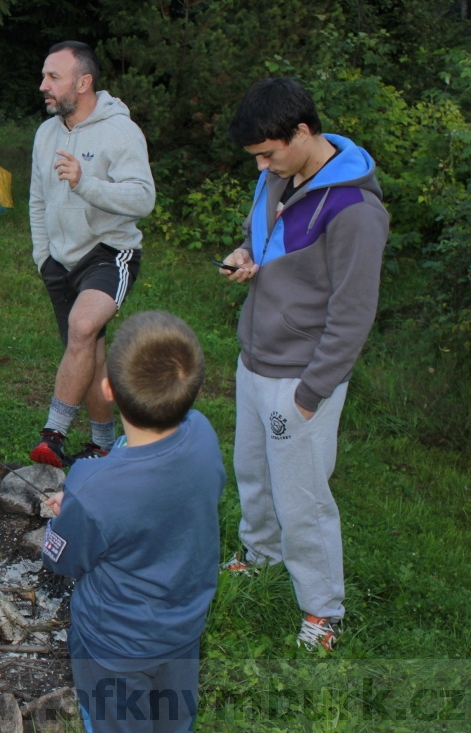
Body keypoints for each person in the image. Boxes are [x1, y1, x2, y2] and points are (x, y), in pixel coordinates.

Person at [218, 77, 389, 651]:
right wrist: (245, 254)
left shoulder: (355, 210)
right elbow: (259, 234)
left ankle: (322, 610)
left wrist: (311, 392)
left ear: (302, 131)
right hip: (255, 359)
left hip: (302, 377)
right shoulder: (276, 175)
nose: (262, 166)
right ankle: (261, 553)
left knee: (304, 496)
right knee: (254, 473)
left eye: (268, 154)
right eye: (256, 158)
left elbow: (353, 314)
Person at [41, 310, 224, 733]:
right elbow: (151, 488)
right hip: (182, 629)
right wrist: (83, 501)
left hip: (112, 645)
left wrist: (70, 512)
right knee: (173, 720)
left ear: (107, 389)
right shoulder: (202, 434)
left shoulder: (92, 488)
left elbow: (62, 561)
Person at [28, 40, 156, 466]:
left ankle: (53, 434)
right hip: (59, 259)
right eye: (45, 75)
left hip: (108, 252)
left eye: (53, 77)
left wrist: (86, 183)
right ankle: (103, 443)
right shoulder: (46, 134)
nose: (43, 85)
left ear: (83, 82)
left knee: (83, 329)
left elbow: (142, 199)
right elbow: (37, 199)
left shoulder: (120, 131)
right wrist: (43, 255)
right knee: (89, 352)